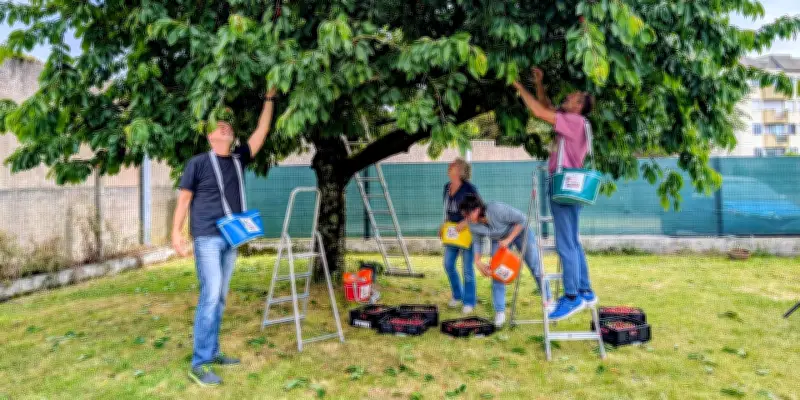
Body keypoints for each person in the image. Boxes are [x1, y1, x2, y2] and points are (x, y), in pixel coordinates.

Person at [172, 88, 277, 387]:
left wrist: (268, 98)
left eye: (228, 127)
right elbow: (183, 201)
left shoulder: (237, 160)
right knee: (210, 296)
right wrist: (176, 235)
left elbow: (262, 130)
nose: (226, 128)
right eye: (220, 127)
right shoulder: (198, 164)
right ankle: (199, 363)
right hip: (206, 236)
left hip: (230, 238)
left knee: (219, 298)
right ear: (210, 138)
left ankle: (212, 351)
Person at [511, 67, 596, 321]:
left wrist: (517, 85)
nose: (567, 97)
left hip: (563, 184)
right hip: (573, 185)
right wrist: (539, 83)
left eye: (572, 97)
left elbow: (538, 112)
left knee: (565, 243)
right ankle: (585, 290)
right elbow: (547, 107)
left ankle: (572, 297)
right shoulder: (574, 122)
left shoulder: (574, 121)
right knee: (572, 240)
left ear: (579, 105)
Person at [459, 194, 549, 328]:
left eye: (467, 214)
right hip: (498, 239)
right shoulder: (472, 225)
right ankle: (500, 312)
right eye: (464, 215)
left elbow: (523, 219)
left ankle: (548, 300)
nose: (466, 218)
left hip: (520, 232)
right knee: (497, 273)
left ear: (477, 209)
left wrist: (508, 240)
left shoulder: (496, 209)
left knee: (535, 266)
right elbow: (477, 242)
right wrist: (477, 261)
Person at [440, 158, 479, 314]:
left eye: (453, 164)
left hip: (468, 231)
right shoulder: (446, 187)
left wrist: (466, 222)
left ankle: (469, 301)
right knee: (448, 264)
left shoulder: (469, 189)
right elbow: (446, 209)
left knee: (467, 269)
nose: (449, 165)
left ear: (459, 170)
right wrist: (443, 224)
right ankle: (458, 295)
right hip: (452, 231)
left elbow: (477, 210)